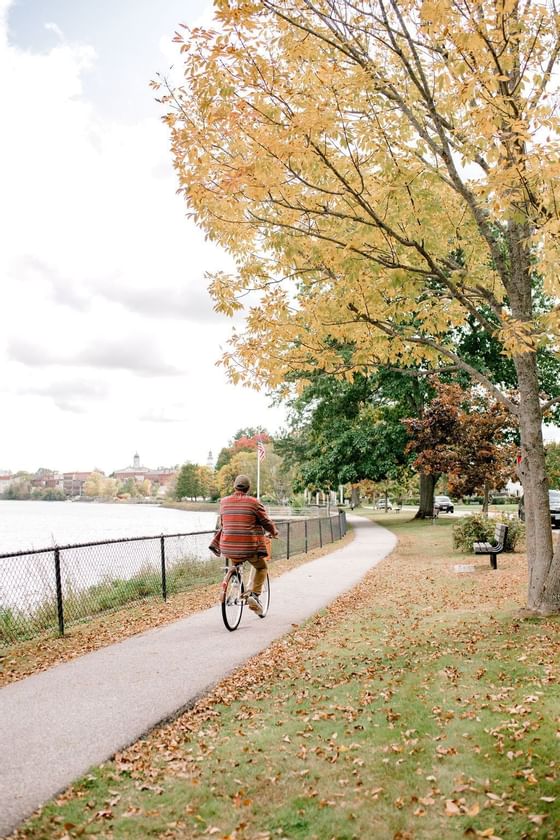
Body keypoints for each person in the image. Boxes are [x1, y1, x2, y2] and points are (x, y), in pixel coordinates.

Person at [217, 474, 279, 616]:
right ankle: (254, 595)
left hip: (227, 545)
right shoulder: (254, 503)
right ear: (248, 488)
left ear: (234, 486)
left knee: (236, 562)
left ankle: (234, 583)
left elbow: (222, 522)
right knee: (262, 567)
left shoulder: (224, 502)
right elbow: (266, 522)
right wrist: (274, 532)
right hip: (249, 547)